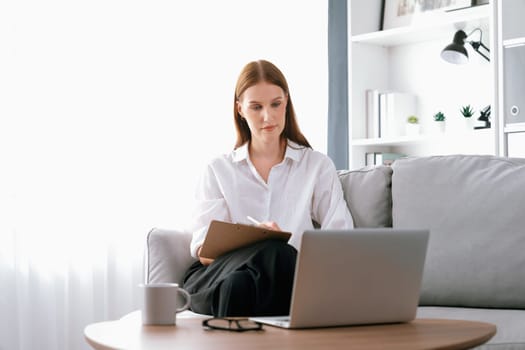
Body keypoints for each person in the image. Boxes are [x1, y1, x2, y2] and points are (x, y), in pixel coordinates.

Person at [182, 59, 354, 317]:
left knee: (251, 276)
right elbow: (206, 256)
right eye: (256, 107)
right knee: (269, 253)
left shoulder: (316, 165)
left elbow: (341, 239)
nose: (268, 116)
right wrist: (255, 241)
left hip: (287, 278)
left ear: (287, 102)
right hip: (218, 274)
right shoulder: (217, 169)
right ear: (240, 109)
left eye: (276, 104)